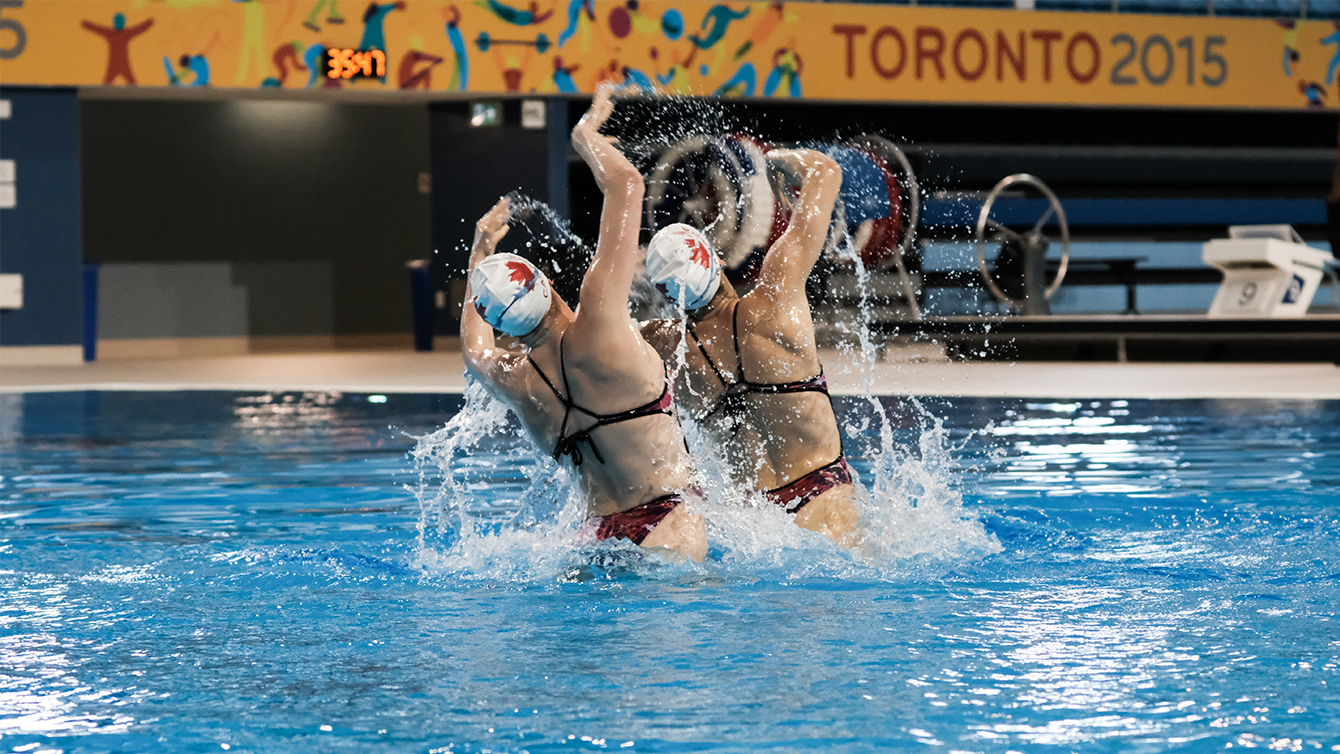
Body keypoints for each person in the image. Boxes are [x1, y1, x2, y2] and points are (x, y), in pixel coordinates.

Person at [461, 86, 707, 562]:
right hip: (666, 526)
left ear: (505, 329)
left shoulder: (516, 379)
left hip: (593, 538)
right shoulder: (599, 319)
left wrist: (479, 252)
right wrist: (586, 134)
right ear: (548, 284)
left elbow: (474, 351)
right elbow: (627, 185)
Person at [641, 148, 860, 547]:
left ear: (665, 293)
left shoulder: (662, 343)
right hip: (823, 499)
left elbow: (570, 335)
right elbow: (826, 173)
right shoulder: (776, 296)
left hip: (753, 528)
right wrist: (781, 157)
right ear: (719, 260)